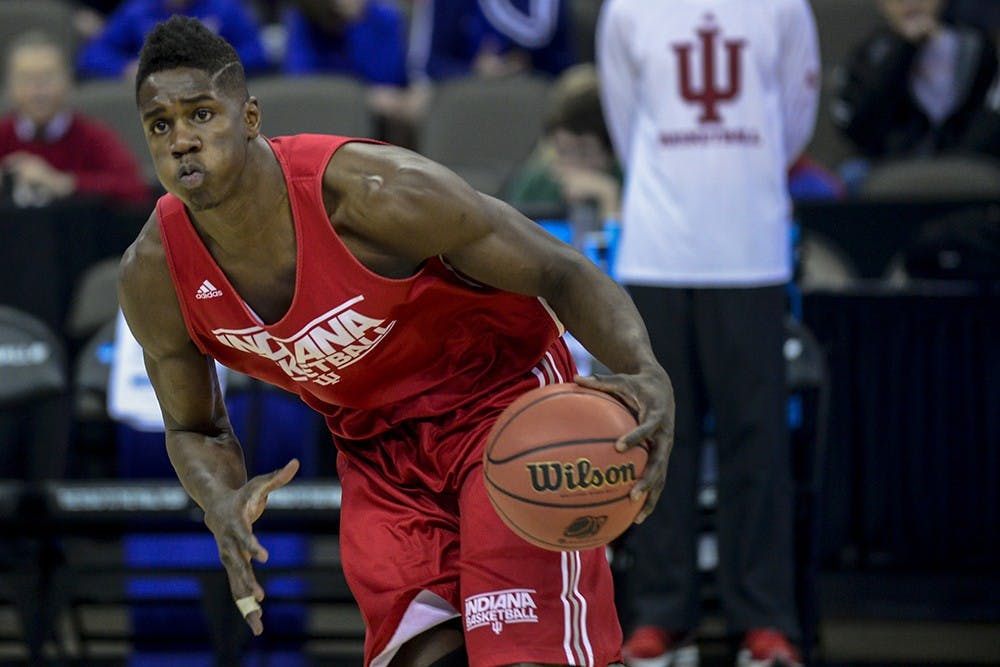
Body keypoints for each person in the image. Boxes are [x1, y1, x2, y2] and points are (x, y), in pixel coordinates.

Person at [118, 15, 674, 667]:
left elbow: (559, 267)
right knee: (423, 656)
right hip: (378, 451)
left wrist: (642, 366)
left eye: (202, 114)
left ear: (249, 117)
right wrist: (220, 500)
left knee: (523, 655)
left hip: (498, 406)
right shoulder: (154, 274)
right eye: (161, 125)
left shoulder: (371, 194)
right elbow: (194, 426)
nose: (182, 140)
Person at [597, 1, 820, 666]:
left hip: (749, 246)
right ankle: (662, 614)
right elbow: (624, 118)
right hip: (657, 247)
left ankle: (764, 618)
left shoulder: (784, 7)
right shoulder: (625, 10)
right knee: (660, 437)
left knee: (758, 439)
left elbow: (795, 116)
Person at [831, 0, 999, 172]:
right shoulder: (871, 53)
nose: (909, 3)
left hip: (965, 165)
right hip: (886, 166)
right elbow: (857, 128)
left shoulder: (977, 47)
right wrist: (904, 50)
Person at [0, 31, 150, 208]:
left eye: (47, 78)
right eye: (27, 80)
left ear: (68, 81)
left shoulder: (92, 136)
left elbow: (135, 188)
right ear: (10, 87)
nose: (38, 91)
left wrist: (64, 183)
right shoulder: (3, 134)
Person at [503, 63, 622, 227]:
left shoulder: (629, 179)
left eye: (584, 151)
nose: (573, 163)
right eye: (563, 151)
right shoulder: (536, 183)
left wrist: (608, 197)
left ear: (612, 149)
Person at [76, 0, 271, 80]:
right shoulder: (138, 11)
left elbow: (258, 53)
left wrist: (214, 64)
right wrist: (125, 67)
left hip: (211, 91)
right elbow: (92, 55)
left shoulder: (225, 8)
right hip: (156, 94)